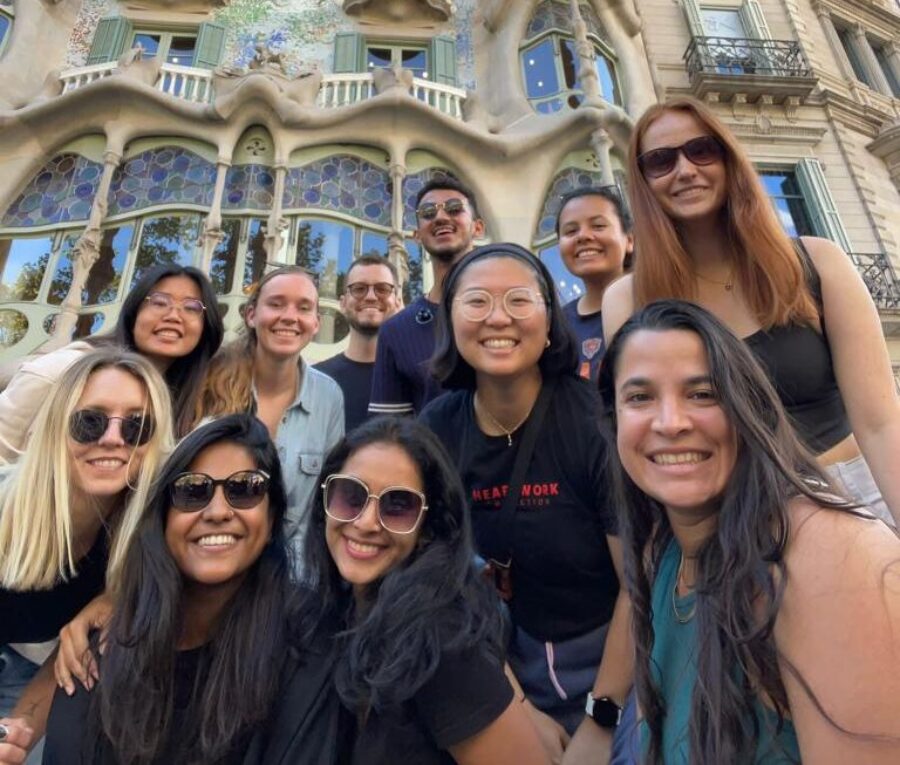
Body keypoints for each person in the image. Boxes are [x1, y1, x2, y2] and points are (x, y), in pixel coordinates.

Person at [597, 299, 900, 763]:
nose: (671, 423)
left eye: (702, 393)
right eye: (639, 397)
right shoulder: (665, 554)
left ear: (747, 406)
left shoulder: (826, 556)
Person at [602, 96, 900, 526]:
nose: (685, 170)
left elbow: (881, 424)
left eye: (701, 150)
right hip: (738, 517)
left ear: (728, 158)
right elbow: (647, 442)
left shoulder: (818, 263)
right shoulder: (628, 299)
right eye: (661, 161)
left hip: (857, 493)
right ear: (644, 181)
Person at [419, 243, 631, 763]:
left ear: (550, 319)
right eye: (476, 302)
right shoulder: (436, 428)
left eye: (519, 300)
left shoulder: (596, 423)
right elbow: (438, 581)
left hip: (614, 667)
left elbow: (639, 586)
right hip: (493, 662)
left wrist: (602, 720)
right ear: (451, 318)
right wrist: (513, 704)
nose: (498, 318)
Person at [40, 414, 341, 765]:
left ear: (272, 516)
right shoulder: (110, 644)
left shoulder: (309, 644)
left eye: (244, 488)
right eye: (192, 491)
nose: (217, 512)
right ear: (164, 518)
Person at [302, 417, 548, 765]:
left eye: (398, 505)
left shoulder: (440, 641)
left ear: (429, 527)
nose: (366, 522)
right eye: (351, 496)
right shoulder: (336, 612)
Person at [0, 349, 173, 761]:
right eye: (89, 421)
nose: (113, 438)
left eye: (137, 426)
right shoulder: (7, 506)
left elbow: (69, 659)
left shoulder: (146, 531)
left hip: (29, 670)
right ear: (58, 425)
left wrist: (16, 736)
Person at [0, 264, 222, 458]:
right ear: (134, 312)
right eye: (159, 302)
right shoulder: (62, 369)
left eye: (191, 308)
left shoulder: (187, 406)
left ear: (206, 327)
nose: (174, 315)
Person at [194, 265, 343, 554]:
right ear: (251, 315)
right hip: (210, 556)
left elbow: (323, 506)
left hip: (289, 576)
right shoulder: (206, 382)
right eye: (275, 304)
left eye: (303, 308)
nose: (289, 317)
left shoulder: (329, 397)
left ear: (315, 323)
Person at [369, 176, 485, 417]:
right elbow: (388, 433)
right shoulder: (397, 331)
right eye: (428, 212)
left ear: (478, 227)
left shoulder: (512, 314)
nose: (441, 217)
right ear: (417, 236)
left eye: (454, 208)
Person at [315, 255, 401, 431]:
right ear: (343, 303)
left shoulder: (415, 379)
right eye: (359, 289)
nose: (370, 297)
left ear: (398, 302)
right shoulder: (315, 381)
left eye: (383, 289)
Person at [556, 186, 633, 381]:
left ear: (630, 240)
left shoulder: (655, 302)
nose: (583, 236)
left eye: (598, 226)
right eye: (571, 231)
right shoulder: (558, 325)